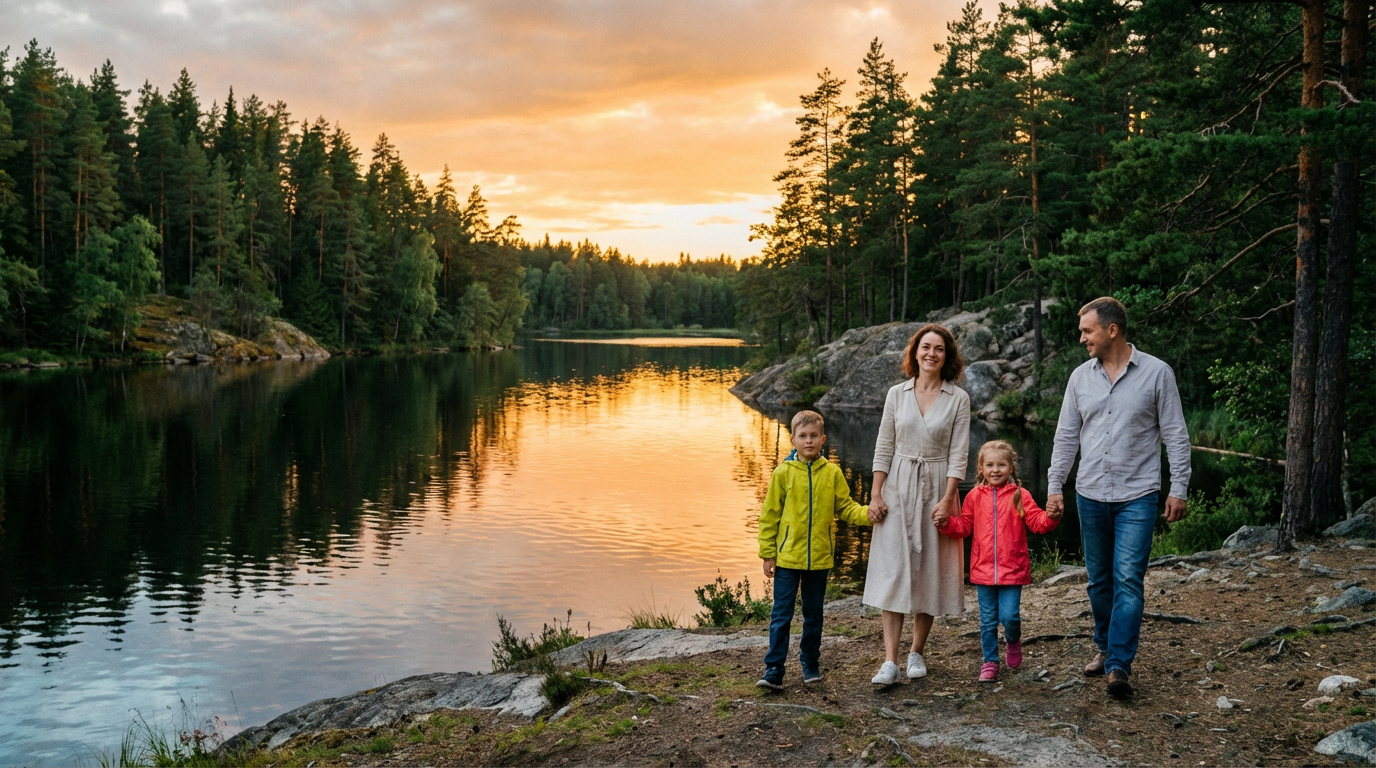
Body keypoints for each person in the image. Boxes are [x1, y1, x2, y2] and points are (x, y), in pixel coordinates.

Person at [1046, 296, 1191, 699]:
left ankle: (1118, 666)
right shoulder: (1079, 378)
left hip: (1137, 495)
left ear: (1112, 330)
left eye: (1087, 331)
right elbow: (1065, 437)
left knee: (1129, 579)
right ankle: (1105, 646)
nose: (1082, 339)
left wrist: (1179, 487)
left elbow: (1176, 434)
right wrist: (1055, 486)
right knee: (1099, 581)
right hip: (1090, 493)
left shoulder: (1157, 373)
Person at [864, 324, 971, 686]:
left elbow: (959, 455)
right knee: (894, 570)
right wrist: (876, 494)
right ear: (915, 353)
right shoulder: (897, 393)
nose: (931, 354)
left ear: (947, 356)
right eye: (925, 347)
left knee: (929, 569)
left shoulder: (958, 398)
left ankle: (916, 652)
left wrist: (947, 499)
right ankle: (890, 661)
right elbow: (883, 447)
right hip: (897, 485)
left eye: (939, 349)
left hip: (937, 488)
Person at [755, 409, 872, 690]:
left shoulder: (832, 473)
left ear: (823, 439)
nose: (809, 441)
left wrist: (869, 514)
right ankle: (774, 670)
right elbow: (769, 515)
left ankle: (810, 663)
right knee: (781, 614)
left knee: (813, 615)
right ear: (793, 439)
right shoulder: (783, 473)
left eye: (814, 436)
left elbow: (845, 507)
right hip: (786, 559)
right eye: (803, 436)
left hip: (819, 560)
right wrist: (768, 553)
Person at [938, 440, 1060, 682]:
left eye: (1001, 465)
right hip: (983, 570)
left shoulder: (1020, 495)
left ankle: (1013, 641)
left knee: (1010, 617)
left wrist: (1052, 517)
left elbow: (1037, 522)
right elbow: (964, 526)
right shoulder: (974, 496)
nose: (996, 470)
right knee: (987, 620)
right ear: (981, 468)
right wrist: (946, 524)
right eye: (990, 465)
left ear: (1011, 468)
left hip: (1012, 570)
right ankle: (990, 662)